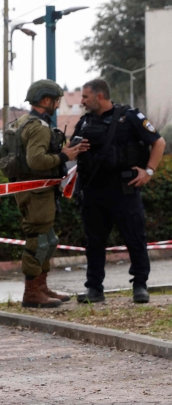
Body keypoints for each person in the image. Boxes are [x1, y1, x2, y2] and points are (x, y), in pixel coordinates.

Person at [72, 78, 166, 304]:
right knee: (94, 242)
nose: (82, 101)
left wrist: (148, 172)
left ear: (100, 96)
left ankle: (140, 286)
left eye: (85, 96)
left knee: (135, 239)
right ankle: (94, 289)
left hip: (124, 190)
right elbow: (70, 151)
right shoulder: (84, 122)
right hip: (94, 191)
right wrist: (75, 149)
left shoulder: (130, 117)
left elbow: (159, 142)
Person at [7, 80, 90, 308]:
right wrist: (64, 156)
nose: (57, 104)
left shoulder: (26, 121)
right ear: (46, 100)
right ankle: (31, 292)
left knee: (49, 240)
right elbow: (36, 160)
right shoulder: (38, 127)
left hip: (34, 189)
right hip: (36, 191)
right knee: (38, 242)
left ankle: (41, 287)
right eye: (55, 100)